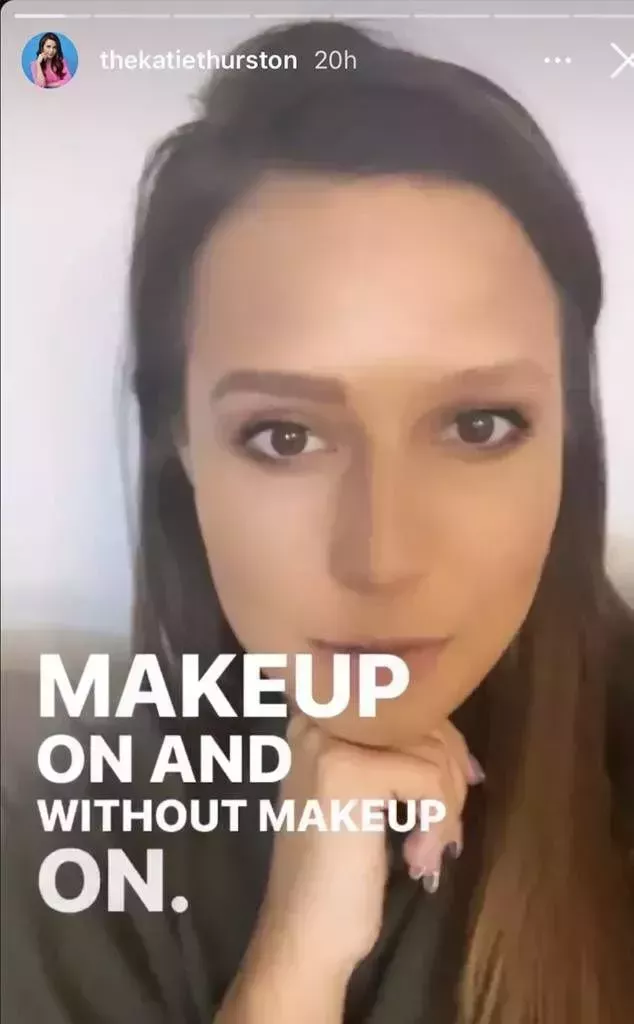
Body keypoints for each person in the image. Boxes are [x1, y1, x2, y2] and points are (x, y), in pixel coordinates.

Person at [3, 19, 633, 1024]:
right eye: (286, 436)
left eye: (477, 425)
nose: (382, 557)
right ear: (180, 440)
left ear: (570, 430)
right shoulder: (57, 837)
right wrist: (293, 965)